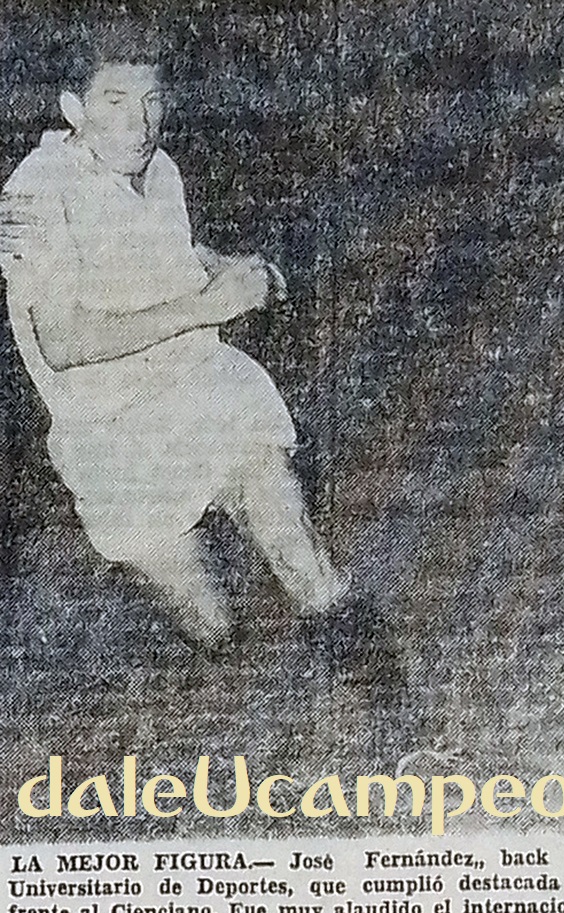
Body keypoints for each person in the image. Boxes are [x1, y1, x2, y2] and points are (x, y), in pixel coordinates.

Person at [0, 36, 348, 647]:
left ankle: (371, 668)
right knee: (213, 628)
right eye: (115, 101)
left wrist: (226, 268)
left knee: (302, 555)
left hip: (196, 380)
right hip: (110, 430)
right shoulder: (34, 195)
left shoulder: (158, 169)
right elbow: (62, 341)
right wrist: (207, 307)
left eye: (152, 101)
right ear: (74, 109)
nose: (139, 125)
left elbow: (170, 250)